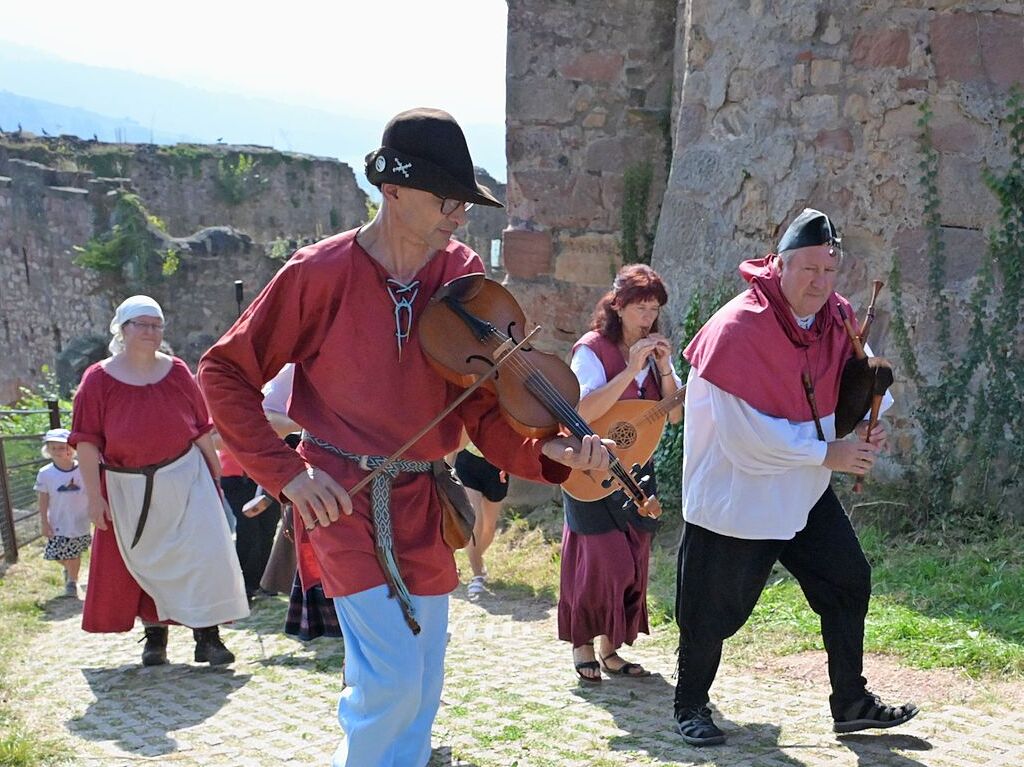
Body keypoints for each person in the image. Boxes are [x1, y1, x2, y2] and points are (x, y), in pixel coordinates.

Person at [198, 107, 611, 767]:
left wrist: (549, 450)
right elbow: (222, 372)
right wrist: (288, 475)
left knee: (419, 686)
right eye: (445, 197)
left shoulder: (463, 276)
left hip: (426, 500)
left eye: (464, 200)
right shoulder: (318, 272)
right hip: (340, 496)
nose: (459, 212)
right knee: (388, 679)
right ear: (391, 190)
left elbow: (482, 409)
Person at [672, 209, 918, 744]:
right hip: (739, 495)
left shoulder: (838, 317)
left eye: (829, 271)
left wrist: (867, 427)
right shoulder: (736, 329)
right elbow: (744, 440)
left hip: (803, 491)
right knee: (712, 611)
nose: (820, 283)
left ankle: (850, 700)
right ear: (779, 265)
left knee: (848, 579)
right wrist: (829, 453)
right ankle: (690, 703)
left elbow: (867, 380)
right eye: (808, 269)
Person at [69, 295, 249, 667]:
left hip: (187, 479)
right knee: (144, 561)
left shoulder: (179, 371)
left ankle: (208, 637)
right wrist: (93, 497)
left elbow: (201, 430)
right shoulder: (98, 379)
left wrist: (214, 477)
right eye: (142, 324)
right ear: (122, 329)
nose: (151, 332)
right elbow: (86, 441)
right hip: (126, 486)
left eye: (156, 324)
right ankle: (155, 637)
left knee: (203, 556)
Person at [558, 264, 683, 682]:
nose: (648, 317)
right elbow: (581, 410)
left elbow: (676, 414)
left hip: (637, 468)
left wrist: (663, 367)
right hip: (590, 467)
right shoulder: (591, 350)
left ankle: (612, 649)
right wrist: (629, 369)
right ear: (618, 306)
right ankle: (582, 644)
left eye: (653, 309)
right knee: (600, 561)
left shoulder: (654, 352)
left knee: (632, 560)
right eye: (640, 308)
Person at [35, 428, 91, 599]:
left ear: (71, 449)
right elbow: (43, 498)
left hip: (80, 520)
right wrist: (44, 521)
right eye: (54, 448)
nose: (58, 452)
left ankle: (71, 583)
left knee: (74, 552)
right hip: (58, 520)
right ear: (48, 450)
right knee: (56, 554)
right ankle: (69, 570)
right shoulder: (45, 474)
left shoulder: (84, 468)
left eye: (62, 447)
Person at [452, 441, 507, 599]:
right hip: (467, 462)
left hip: (498, 467)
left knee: (489, 528)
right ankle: (478, 574)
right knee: (475, 521)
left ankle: (474, 558)